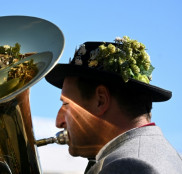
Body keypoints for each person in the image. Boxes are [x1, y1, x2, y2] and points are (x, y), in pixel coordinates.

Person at [45, 36, 182, 174]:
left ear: (101, 101)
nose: (59, 122)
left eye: (66, 104)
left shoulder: (128, 165)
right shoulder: (169, 157)